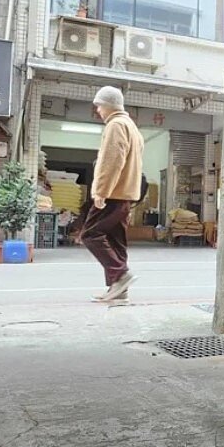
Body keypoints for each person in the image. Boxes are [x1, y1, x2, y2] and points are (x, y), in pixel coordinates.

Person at [83, 86, 144, 305]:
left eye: (99, 105)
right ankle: (119, 291)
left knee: (90, 234)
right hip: (125, 195)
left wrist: (101, 191)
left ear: (109, 105)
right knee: (116, 241)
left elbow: (112, 160)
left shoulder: (116, 125)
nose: (98, 110)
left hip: (113, 194)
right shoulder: (132, 127)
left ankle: (120, 275)